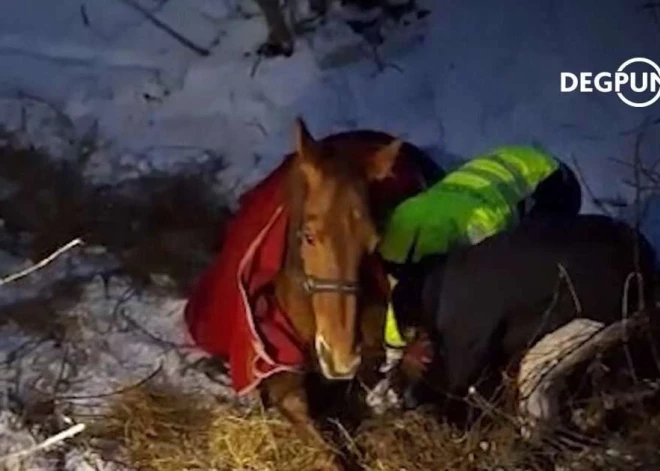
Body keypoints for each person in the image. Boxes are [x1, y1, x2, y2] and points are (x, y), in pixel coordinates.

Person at [376, 145, 583, 379]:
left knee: (538, 265)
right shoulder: (395, 240)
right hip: (493, 173)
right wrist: (395, 356)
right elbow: (398, 293)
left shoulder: (481, 236)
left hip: (549, 180)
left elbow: (479, 313)